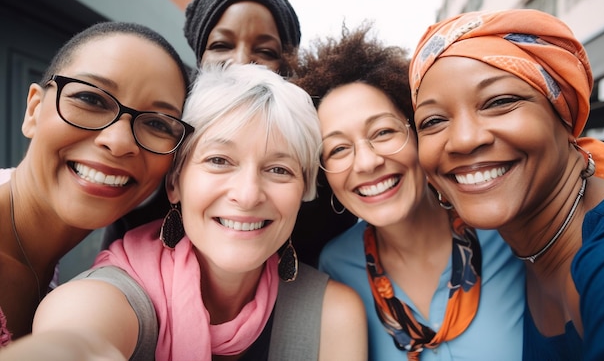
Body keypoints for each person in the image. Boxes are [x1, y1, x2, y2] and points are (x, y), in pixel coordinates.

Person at [0, 63, 368, 360]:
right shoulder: (116, 295)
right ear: (175, 183)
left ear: (304, 191)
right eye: (220, 160)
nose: (248, 194)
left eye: (279, 170)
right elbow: (76, 339)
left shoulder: (331, 315)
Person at [293, 23, 524, 360]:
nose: (368, 162)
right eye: (338, 149)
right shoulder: (335, 266)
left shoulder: (508, 234)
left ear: (418, 132)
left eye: (383, 132)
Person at [410, 9, 604, 360]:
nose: (464, 140)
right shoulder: (508, 249)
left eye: (499, 102)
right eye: (433, 121)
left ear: (563, 115)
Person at [106, 0, 357, 266]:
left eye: (265, 50)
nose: (240, 61)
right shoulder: (156, 156)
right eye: (221, 46)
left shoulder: (321, 180)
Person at [0, 21, 192, 345]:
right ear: (33, 110)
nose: (118, 142)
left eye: (157, 123)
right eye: (91, 99)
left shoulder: (46, 263)